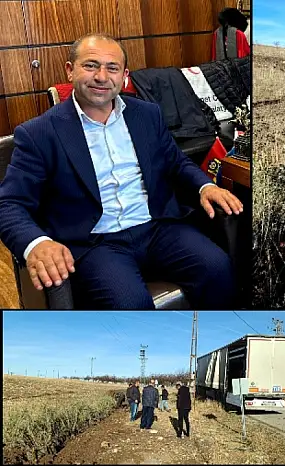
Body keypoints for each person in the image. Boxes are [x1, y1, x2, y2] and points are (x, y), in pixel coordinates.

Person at [0, 33, 242, 309]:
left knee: (218, 269)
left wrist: (205, 186)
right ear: (70, 70)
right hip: (96, 243)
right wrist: (37, 243)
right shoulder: (39, 133)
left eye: (112, 68)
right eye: (90, 66)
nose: (102, 76)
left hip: (156, 228)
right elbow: (9, 203)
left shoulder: (147, 114)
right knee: (131, 304)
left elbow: (176, 162)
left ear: (124, 76)